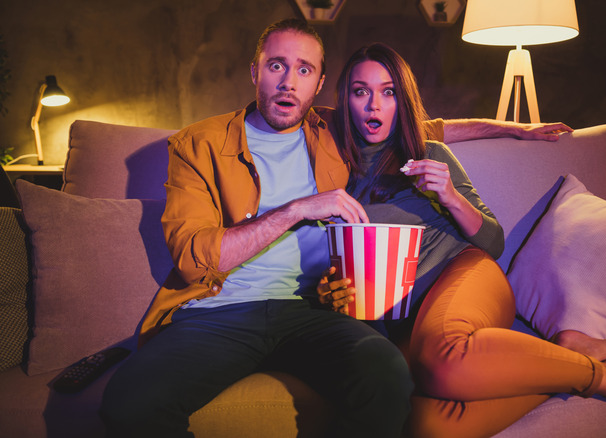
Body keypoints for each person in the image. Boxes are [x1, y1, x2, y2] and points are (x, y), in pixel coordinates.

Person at [98, 18, 570, 438]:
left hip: (312, 309)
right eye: (276, 65)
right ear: (254, 70)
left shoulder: (329, 129)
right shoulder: (196, 145)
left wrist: (514, 129)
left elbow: (419, 124)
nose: (288, 82)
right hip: (219, 311)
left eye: (304, 70)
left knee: (386, 376)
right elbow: (195, 259)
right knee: (128, 404)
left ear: (320, 84)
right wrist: (295, 210)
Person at [317, 42, 606, 438]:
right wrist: (331, 290)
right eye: (360, 92)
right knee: (427, 426)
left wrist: (451, 196)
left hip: (465, 270)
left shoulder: (430, 153)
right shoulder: (331, 166)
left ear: (400, 100)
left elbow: (492, 242)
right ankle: (570, 353)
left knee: (441, 360)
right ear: (344, 101)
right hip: (405, 316)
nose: (374, 105)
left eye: (387, 92)